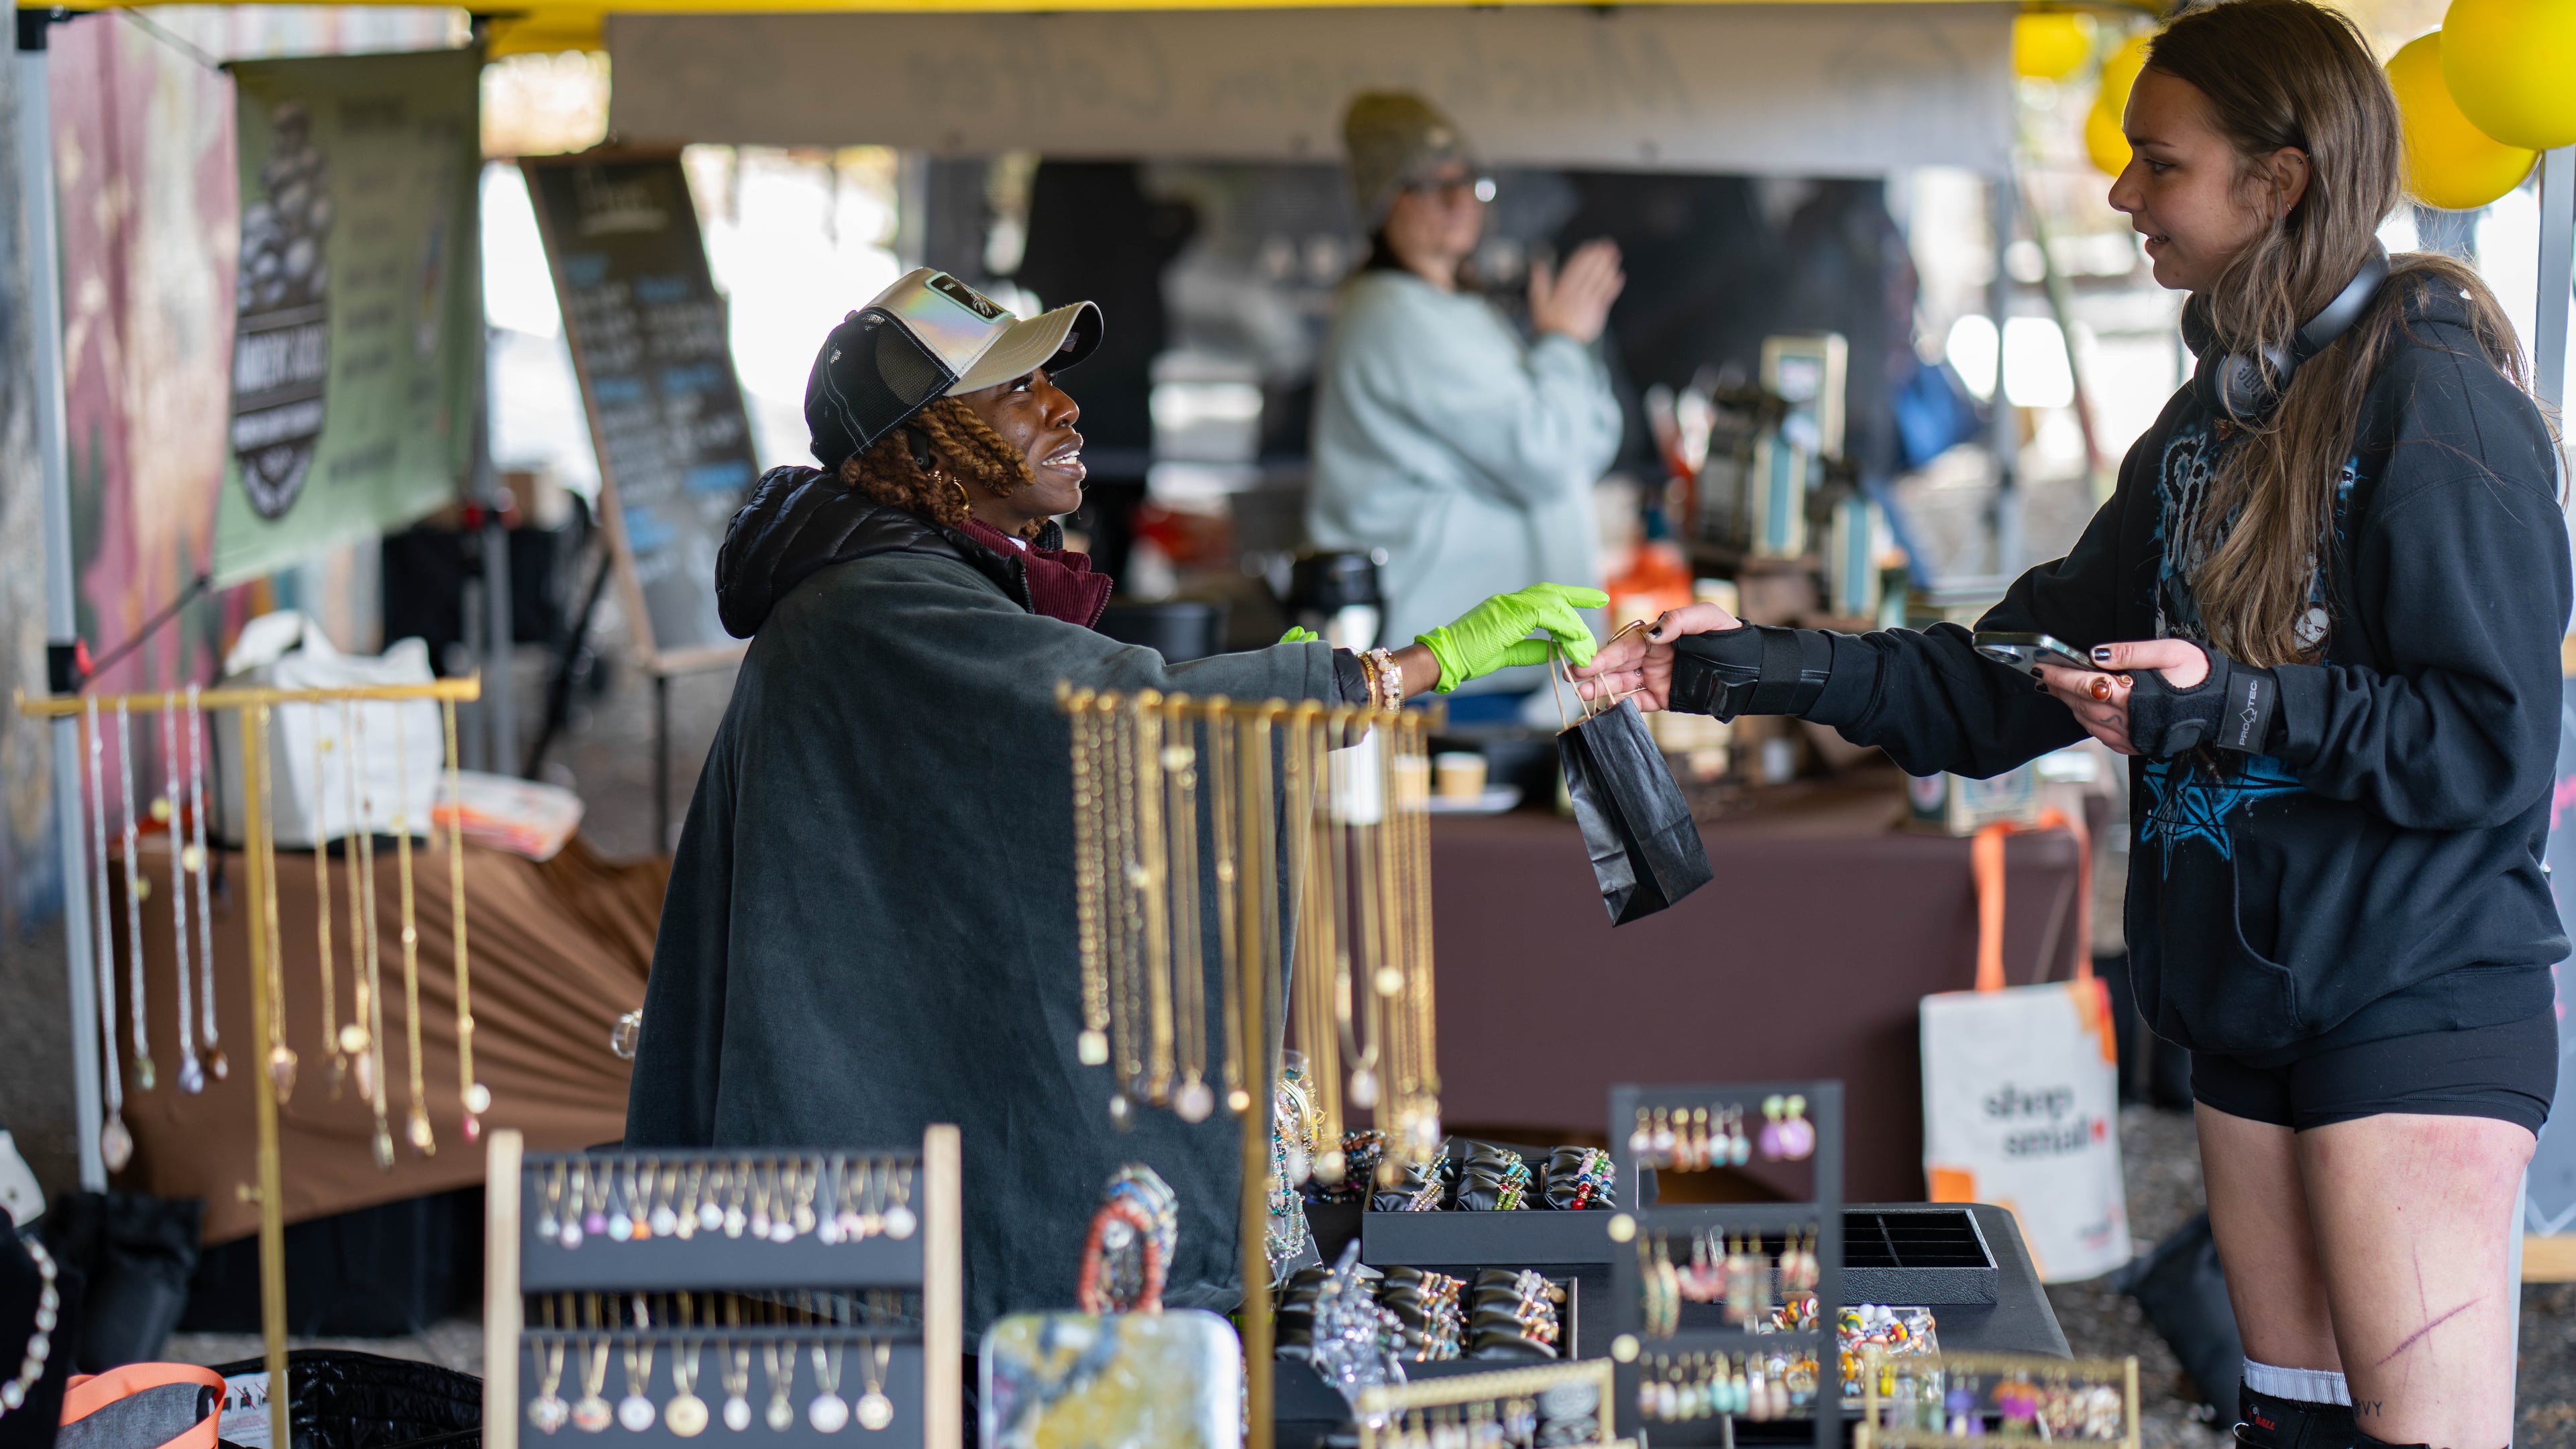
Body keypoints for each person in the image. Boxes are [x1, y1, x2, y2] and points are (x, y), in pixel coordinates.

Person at [1577, 5, 2559, 1445]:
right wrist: (1750, 664)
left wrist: (2224, 705)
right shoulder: (2209, 422)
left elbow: (2491, 744)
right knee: (2289, 1426)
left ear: (2274, 184)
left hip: (2412, 1000)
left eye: (2157, 164)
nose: (2121, 196)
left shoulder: (2440, 411)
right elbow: (2001, 679)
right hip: (2244, 1003)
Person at [624, 267, 1605, 1333]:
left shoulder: (900, 576)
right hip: (842, 1199)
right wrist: (1410, 666)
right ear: (926, 444)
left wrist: (1273, 697)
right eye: (1016, 392)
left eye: (1049, 381)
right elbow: (1115, 716)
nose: (1064, 407)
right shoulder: (875, 602)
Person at [1306, 92, 1627, 720]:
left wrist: (1567, 348)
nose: (1458, 201)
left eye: (1467, 182)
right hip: (1450, 665)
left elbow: (1585, 445)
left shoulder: (1459, 310)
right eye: (1428, 184)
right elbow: (1547, 454)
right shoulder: (1394, 315)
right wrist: (1563, 342)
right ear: (1384, 203)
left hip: (1491, 662)